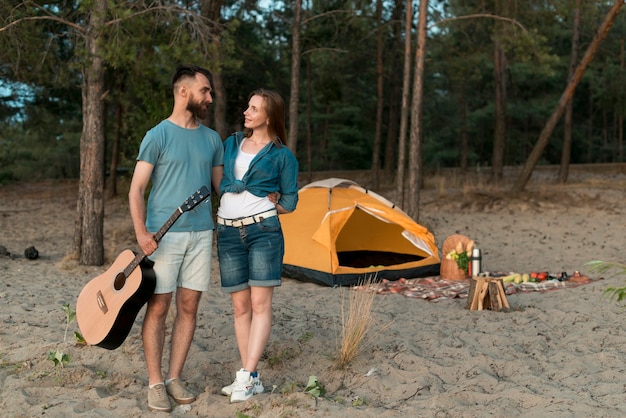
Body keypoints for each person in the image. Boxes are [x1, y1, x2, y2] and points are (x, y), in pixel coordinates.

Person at [128, 64, 224, 412]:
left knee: (189, 307)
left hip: (201, 236)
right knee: (159, 308)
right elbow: (137, 189)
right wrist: (142, 233)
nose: (210, 98)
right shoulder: (158, 136)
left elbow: (221, 189)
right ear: (184, 91)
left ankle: (174, 378)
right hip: (163, 238)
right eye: (205, 91)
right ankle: (155, 382)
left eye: (210, 92)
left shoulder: (212, 139)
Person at [216, 89, 299, 403]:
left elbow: (290, 201)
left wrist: (267, 206)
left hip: (263, 232)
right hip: (226, 231)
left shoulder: (282, 156)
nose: (246, 112)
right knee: (240, 308)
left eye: (254, 108)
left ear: (269, 116)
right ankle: (249, 377)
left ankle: (245, 376)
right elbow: (220, 179)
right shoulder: (231, 143)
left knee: (261, 305)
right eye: (247, 106)